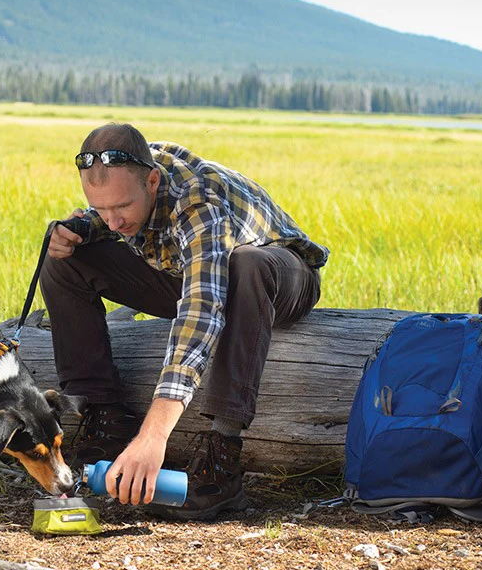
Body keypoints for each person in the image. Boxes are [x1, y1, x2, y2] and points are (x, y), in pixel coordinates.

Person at [41, 122, 328, 520]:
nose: (113, 221)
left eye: (121, 208)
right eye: (101, 208)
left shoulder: (199, 202)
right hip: (185, 271)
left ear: (153, 181)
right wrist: (80, 229)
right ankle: (106, 419)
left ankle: (222, 460)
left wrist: (155, 433)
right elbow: (108, 214)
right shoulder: (130, 172)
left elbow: (203, 308)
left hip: (278, 275)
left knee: (246, 263)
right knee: (63, 260)